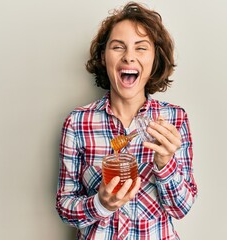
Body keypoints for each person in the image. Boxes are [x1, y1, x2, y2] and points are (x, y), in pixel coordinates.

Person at [56, 2, 198, 239]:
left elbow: (180, 208)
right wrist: (101, 204)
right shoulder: (77, 122)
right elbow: (65, 207)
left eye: (141, 48)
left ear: (155, 59)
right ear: (104, 57)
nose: (129, 57)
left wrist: (165, 163)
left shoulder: (175, 119)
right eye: (118, 47)